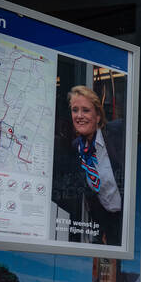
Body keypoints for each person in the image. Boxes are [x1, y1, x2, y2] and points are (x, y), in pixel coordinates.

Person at [52, 85, 124, 245]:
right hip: (108, 225)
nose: (79, 116)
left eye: (85, 110)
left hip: (130, 221)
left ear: (98, 116)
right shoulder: (75, 147)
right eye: (75, 110)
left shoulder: (119, 133)